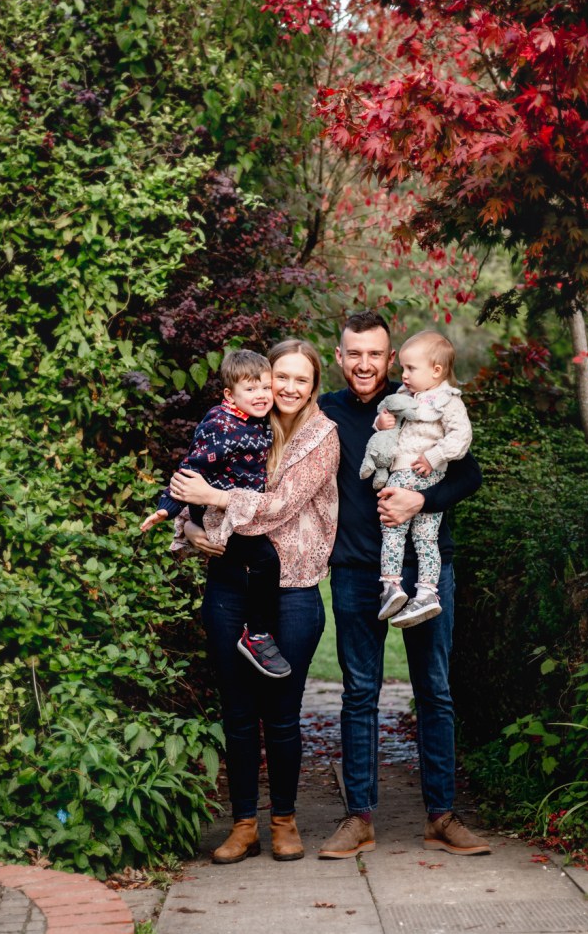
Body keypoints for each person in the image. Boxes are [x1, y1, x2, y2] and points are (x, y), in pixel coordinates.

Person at [318, 310, 491, 859]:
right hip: (354, 571)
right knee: (359, 695)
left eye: (376, 354)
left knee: (435, 692)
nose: (364, 364)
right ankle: (359, 817)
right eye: (354, 353)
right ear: (340, 357)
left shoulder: (426, 399)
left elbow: (469, 472)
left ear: (391, 359)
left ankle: (442, 815)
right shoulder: (324, 414)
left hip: (425, 571)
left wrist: (423, 498)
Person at [168, 339, 340, 864]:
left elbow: (278, 507)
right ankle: (243, 824)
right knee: (238, 715)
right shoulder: (239, 423)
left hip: (290, 590)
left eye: (299, 380)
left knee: (282, 715)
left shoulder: (321, 437)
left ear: (313, 386)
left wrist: (213, 500)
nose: (286, 388)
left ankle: (284, 821)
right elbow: (196, 483)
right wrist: (190, 526)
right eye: (278, 377)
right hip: (228, 583)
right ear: (261, 381)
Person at [140, 349, 290, 679]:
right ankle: (257, 635)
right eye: (250, 389)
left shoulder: (257, 419)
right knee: (266, 560)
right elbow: (190, 470)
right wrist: (167, 510)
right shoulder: (220, 426)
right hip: (215, 512)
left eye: (266, 387)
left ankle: (253, 629)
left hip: (234, 509)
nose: (262, 395)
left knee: (245, 563)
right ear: (229, 394)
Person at [370, 330, 472, 629]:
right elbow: (388, 428)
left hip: (421, 475)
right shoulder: (403, 397)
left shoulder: (448, 401)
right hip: (408, 473)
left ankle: (395, 585)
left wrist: (435, 456)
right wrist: (380, 423)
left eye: (411, 368)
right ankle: (422, 593)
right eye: (403, 368)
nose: (404, 375)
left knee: (393, 529)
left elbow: (462, 437)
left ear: (436, 370)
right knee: (421, 537)